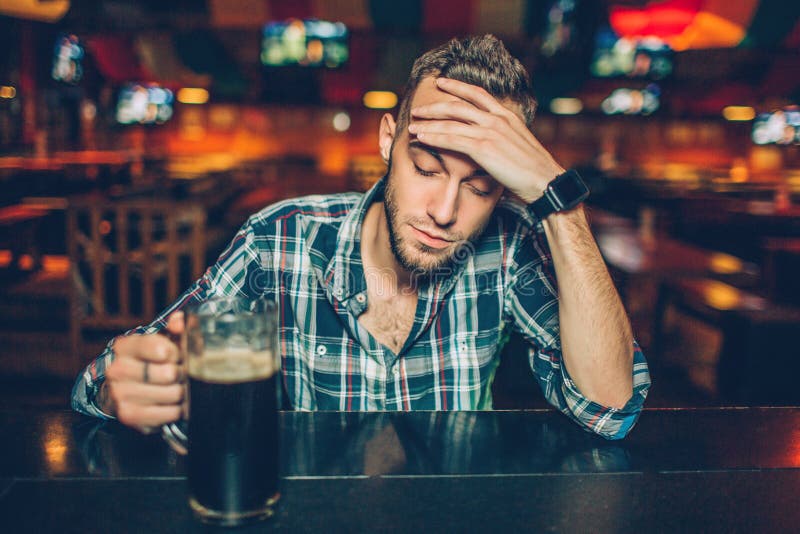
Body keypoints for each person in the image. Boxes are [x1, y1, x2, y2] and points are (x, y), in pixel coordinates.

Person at [72, 35, 650, 440]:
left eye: (480, 186)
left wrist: (559, 202)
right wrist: (120, 386)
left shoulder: (509, 248)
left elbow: (608, 412)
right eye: (425, 167)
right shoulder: (281, 240)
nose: (444, 211)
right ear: (387, 141)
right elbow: (106, 381)